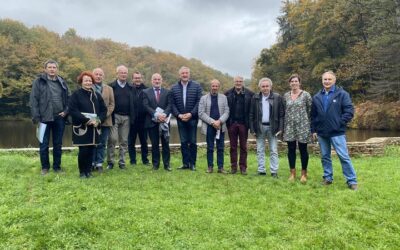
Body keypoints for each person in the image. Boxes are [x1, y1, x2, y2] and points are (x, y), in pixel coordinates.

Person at [311, 71, 358, 190]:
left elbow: (349, 111)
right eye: (325, 79)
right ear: (322, 81)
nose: (327, 81)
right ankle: (328, 178)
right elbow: (313, 115)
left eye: (329, 79)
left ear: (334, 80)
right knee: (325, 156)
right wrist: (314, 130)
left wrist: (339, 123)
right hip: (322, 133)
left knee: (343, 156)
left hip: (337, 132)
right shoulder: (317, 97)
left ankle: (351, 181)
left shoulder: (342, 94)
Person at [29, 59, 69, 175]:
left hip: (59, 118)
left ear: (57, 69)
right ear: (45, 69)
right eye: (50, 67)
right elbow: (33, 100)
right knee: (43, 144)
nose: (52, 69)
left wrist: (66, 111)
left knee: (58, 144)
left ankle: (57, 167)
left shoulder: (62, 82)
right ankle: (45, 168)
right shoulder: (38, 81)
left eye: (54, 67)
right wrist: (36, 117)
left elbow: (69, 98)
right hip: (43, 119)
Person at [68, 71, 107, 178]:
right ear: (81, 82)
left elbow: (104, 110)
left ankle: (88, 172)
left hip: (94, 127)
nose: (88, 83)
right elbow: (73, 110)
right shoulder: (76, 95)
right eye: (86, 81)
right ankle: (82, 172)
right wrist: (87, 120)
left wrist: (99, 120)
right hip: (82, 127)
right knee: (83, 150)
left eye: (90, 81)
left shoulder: (96, 95)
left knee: (91, 149)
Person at [249, 77, 284, 178]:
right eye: (263, 86)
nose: (265, 88)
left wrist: (281, 128)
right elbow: (251, 114)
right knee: (260, 150)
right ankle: (261, 170)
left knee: (273, 150)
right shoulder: (255, 98)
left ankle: (274, 171)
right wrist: (252, 129)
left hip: (273, 127)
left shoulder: (277, 97)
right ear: (260, 87)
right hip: (259, 127)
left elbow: (281, 114)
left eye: (267, 86)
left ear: (270, 86)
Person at [170, 66, 202, 171]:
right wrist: (178, 115)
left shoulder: (197, 86)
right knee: (183, 142)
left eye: (186, 73)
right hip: (180, 119)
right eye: (183, 73)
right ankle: (185, 163)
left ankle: (192, 164)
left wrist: (191, 114)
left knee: (192, 141)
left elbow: (199, 102)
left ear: (189, 74)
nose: (184, 75)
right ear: (179, 75)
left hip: (192, 119)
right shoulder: (174, 88)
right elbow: (172, 104)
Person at [283, 74, 312, 183]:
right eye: (292, 81)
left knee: (303, 150)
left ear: (299, 82)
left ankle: (304, 174)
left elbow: (310, 110)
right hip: (289, 126)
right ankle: (292, 173)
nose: (294, 83)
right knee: (291, 150)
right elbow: (284, 111)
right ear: (289, 83)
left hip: (303, 126)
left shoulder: (306, 95)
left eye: (296, 81)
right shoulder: (286, 96)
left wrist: (307, 124)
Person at [107, 65, 136, 169]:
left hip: (126, 118)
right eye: (121, 72)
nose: (123, 74)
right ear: (117, 74)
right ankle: (110, 162)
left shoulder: (131, 88)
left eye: (125, 73)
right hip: (114, 116)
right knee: (112, 139)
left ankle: (122, 163)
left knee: (124, 141)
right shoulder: (111, 86)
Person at [199, 79, 230, 173]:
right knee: (210, 147)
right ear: (210, 86)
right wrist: (213, 122)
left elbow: (227, 112)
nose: (215, 88)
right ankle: (210, 167)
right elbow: (201, 113)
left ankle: (220, 167)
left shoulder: (224, 98)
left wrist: (220, 121)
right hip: (209, 126)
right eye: (213, 86)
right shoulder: (203, 98)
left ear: (219, 87)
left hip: (220, 126)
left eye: (216, 86)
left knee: (220, 147)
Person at [225, 76, 254, 175]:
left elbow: (252, 110)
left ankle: (243, 167)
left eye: (240, 81)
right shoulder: (227, 93)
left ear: (243, 82)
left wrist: (250, 124)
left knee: (243, 147)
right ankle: (233, 167)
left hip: (243, 124)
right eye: (236, 81)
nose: (238, 83)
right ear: (234, 82)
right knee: (233, 147)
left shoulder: (250, 94)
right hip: (232, 123)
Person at [143, 73, 172, 171]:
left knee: (165, 144)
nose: (157, 81)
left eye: (159, 79)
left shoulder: (167, 92)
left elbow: (170, 105)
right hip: (152, 122)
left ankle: (167, 165)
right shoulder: (145, 92)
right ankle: (155, 165)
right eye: (155, 79)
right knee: (154, 144)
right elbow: (146, 106)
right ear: (152, 81)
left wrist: (164, 114)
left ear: (161, 80)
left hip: (164, 122)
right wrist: (156, 114)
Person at [91, 68, 114, 172]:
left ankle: (99, 163)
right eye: (96, 74)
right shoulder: (88, 87)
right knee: (92, 143)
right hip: (91, 121)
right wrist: (94, 118)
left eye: (100, 74)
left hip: (105, 121)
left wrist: (104, 116)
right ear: (92, 75)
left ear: (103, 76)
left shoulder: (109, 89)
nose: (98, 76)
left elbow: (112, 104)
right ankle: (92, 163)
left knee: (102, 143)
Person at [128, 71, 149, 166]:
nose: (137, 79)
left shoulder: (147, 90)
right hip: (131, 121)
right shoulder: (129, 89)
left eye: (139, 78)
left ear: (142, 78)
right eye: (135, 78)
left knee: (144, 142)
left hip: (143, 121)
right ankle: (133, 161)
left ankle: (145, 160)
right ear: (132, 79)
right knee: (131, 142)